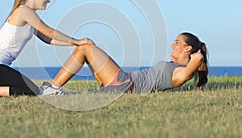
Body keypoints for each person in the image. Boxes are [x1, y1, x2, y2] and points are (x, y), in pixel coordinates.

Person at [0, 0, 93, 99]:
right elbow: (50, 32)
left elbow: (48, 39)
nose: (48, 0)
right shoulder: (24, 11)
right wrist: (77, 41)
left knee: (30, 89)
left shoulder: (29, 14)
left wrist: (74, 44)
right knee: (31, 90)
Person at [40, 32, 208, 95]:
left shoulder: (180, 72)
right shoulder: (175, 67)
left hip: (125, 83)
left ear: (188, 49)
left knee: (85, 48)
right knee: (84, 49)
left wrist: (198, 55)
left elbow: (194, 64)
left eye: (177, 43)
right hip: (123, 83)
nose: (173, 45)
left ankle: (52, 88)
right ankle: (53, 89)